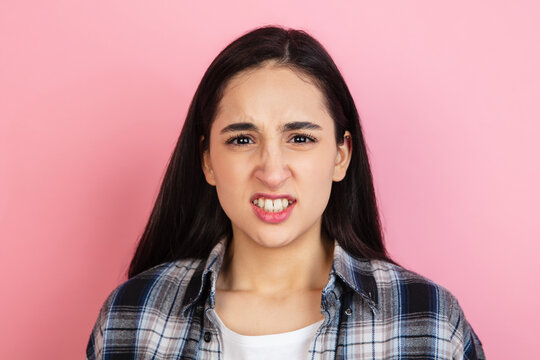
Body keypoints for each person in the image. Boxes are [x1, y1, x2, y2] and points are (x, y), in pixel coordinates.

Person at [86, 25, 485, 359]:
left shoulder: (429, 323)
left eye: (299, 137)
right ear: (207, 160)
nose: (272, 172)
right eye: (242, 139)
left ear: (341, 156)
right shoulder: (132, 317)